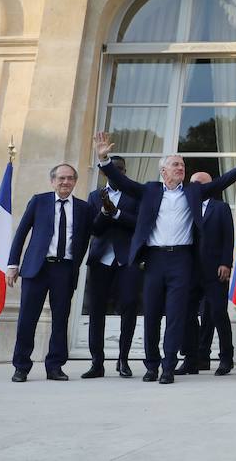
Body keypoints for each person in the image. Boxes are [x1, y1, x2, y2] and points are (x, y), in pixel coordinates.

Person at [93, 132, 236, 384]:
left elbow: (221, 183)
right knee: (151, 313)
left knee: (176, 314)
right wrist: (104, 159)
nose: (181, 167)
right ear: (163, 171)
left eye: (182, 165)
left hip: (182, 260)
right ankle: (151, 365)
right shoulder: (150, 190)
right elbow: (124, 182)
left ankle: (168, 366)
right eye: (175, 164)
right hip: (154, 260)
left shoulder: (193, 192)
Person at [7, 164, 94, 382]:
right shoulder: (39, 201)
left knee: (60, 320)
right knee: (27, 319)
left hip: (64, 270)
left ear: (75, 182)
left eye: (70, 178)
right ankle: (21, 367)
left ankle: (55, 366)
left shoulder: (83, 208)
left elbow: (82, 241)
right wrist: (12, 264)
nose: (65, 182)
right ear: (52, 181)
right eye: (61, 178)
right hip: (36, 268)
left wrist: (74, 265)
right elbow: (21, 233)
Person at [82, 156, 140, 379]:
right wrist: (105, 212)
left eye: (122, 170)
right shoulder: (95, 196)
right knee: (96, 311)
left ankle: (123, 360)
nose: (118, 173)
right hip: (100, 260)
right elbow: (94, 229)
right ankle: (97, 362)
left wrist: (117, 213)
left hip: (127, 260)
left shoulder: (134, 194)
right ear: (105, 172)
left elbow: (139, 223)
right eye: (114, 170)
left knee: (129, 307)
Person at [176, 172, 236, 377]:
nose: (195, 187)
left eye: (200, 184)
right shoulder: (184, 206)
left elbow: (228, 237)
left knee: (218, 313)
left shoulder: (221, 208)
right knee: (187, 315)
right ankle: (191, 359)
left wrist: (226, 263)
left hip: (215, 269)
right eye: (192, 183)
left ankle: (226, 358)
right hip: (189, 270)